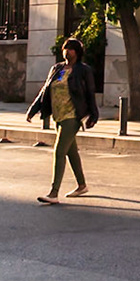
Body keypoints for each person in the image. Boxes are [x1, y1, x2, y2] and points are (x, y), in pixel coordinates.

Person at [27, 38, 98, 203]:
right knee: (71, 152)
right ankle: (82, 185)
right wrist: (33, 109)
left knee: (59, 152)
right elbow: (45, 90)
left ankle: (53, 193)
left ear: (77, 52)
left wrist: (93, 115)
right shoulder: (57, 69)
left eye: (71, 49)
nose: (67, 52)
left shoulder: (83, 70)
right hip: (58, 115)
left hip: (72, 116)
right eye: (65, 49)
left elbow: (90, 93)